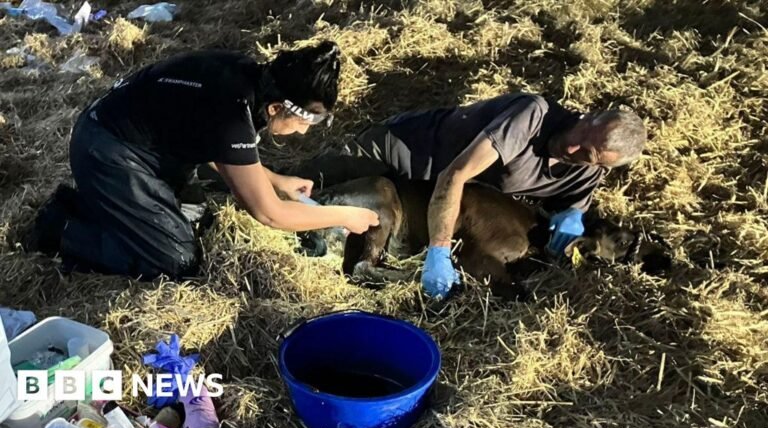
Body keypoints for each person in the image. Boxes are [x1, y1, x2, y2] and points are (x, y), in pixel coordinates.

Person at [23, 41, 380, 280]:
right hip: (108, 149)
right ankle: (60, 227)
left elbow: (219, 150)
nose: (303, 132)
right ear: (277, 108)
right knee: (175, 259)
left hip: (146, 145)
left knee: (198, 219)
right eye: (305, 122)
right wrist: (346, 215)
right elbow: (270, 213)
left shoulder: (248, 78)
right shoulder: (232, 112)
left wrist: (276, 180)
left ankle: (105, 207)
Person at [294, 93, 647, 299]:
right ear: (588, 114)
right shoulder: (532, 115)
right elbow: (456, 176)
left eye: (587, 154)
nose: (574, 146)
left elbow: (570, 217)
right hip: (401, 153)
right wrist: (438, 251)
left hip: (418, 197)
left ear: (602, 165)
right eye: (584, 132)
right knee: (300, 184)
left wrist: (569, 222)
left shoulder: (586, 171)